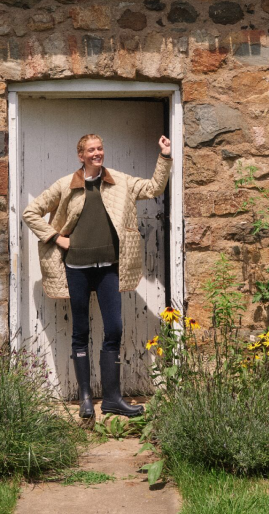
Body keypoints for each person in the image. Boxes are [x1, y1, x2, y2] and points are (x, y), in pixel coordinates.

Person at [22, 133, 172, 421]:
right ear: (81, 155)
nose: (97, 153)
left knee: (114, 329)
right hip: (76, 268)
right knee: (80, 332)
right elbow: (32, 212)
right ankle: (86, 399)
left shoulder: (120, 181)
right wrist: (55, 237)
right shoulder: (66, 184)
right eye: (91, 150)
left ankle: (114, 398)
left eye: (100, 148)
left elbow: (154, 188)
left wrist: (164, 156)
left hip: (109, 267)